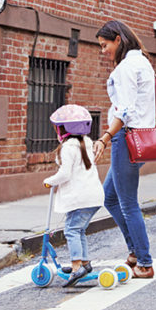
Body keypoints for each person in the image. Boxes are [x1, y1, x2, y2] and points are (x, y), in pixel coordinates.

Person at [93, 20, 156, 279]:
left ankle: (144, 262)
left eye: (104, 45)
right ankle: (134, 252)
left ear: (118, 39)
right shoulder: (141, 62)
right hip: (139, 138)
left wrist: (105, 138)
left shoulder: (127, 67)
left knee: (128, 203)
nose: (103, 50)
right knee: (109, 198)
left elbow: (125, 110)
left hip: (126, 138)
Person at [44, 104, 105, 287]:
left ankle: (76, 265)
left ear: (65, 129)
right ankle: (84, 263)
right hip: (92, 196)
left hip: (81, 198)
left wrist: (49, 181)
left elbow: (65, 174)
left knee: (71, 230)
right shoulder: (86, 143)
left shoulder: (68, 147)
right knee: (79, 230)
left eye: (59, 127)